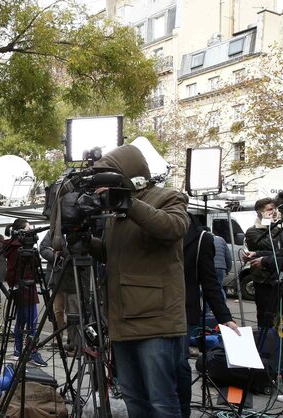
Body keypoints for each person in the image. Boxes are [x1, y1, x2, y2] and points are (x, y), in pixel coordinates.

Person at [84, 145, 189, 417]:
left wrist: (127, 202)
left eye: (108, 176)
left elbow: (173, 228)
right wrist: (84, 240)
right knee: (134, 399)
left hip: (156, 320)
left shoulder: (167, 197)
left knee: (161, 402)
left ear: (126, 174)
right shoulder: (116, 211)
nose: (102, 185)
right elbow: (112, 255)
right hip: (122, 320)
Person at [178, 213, 240, 418]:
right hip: (152, 309)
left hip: (183, 311)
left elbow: (210, 281)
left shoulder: (201, 238)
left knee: (178, 364)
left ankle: (181, 411)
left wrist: (225, 317)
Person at [2, 218, 47, 367]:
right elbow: (15, 269)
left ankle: (18, 350)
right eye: (29, 228)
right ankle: (32, 351)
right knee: (31, 322)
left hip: (22, 287)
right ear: (21, 231)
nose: (31, 230)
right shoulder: (17, 248)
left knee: (21, 321)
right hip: (24, 288)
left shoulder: (13, 247)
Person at [243, 197, 283, 328]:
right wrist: (270, 225)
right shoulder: (253, 231)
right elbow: (270, 245)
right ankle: (265, 344)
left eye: (274, 209)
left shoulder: (280, 229)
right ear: (260, 212)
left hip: (280, 278)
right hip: (264, 280)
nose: (273, 212)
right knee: (265, 315)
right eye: (269, 209)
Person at [211, 232, 232, 301]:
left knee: (210, 289)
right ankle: (223, 306)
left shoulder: (204, 239)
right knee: (219, 287)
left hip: (210, 267)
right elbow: (228, 256)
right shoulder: (221, 239)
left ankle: (208, 311)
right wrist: (228, 269)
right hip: (221, 268)